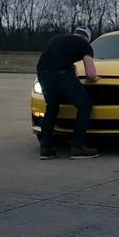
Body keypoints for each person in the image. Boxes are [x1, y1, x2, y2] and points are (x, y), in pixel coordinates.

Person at [37, 26, 99, 160]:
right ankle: (78, 147)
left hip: (42, 74)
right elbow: (90, 74)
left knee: (52, 107)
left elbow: (58, 58)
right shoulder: (84, 45)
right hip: (61, 75)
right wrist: (94, 77)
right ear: (87, 39)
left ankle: (45, 148)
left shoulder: (56, 39)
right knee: (85, 105)